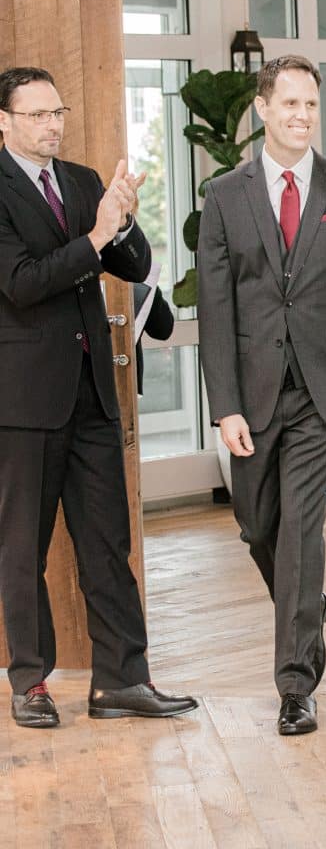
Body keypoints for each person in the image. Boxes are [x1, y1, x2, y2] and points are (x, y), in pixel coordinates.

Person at [198, 55, 326, 736]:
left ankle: (294, 686)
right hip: (250, 394)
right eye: (289, 104)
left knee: (302, 531)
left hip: (323, 392)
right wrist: (224, 405)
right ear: (262, 108)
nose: (301, 116)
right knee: (258, 526)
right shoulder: (225, 195)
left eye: (311, 105)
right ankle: (308, 608)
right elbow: (217, 309)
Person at [0, 66, 198, 728]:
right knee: (23, 547)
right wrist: (94, 234)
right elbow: (23, 284)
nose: (52, 125)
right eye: (37, 115)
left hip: (93, 397)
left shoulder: (83, 181)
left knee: (108, 543)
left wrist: (124, 222)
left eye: (57, 112)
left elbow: (134, 267)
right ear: (4, 122)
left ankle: (122, 680)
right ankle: (30, 683)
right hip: (24, 403)